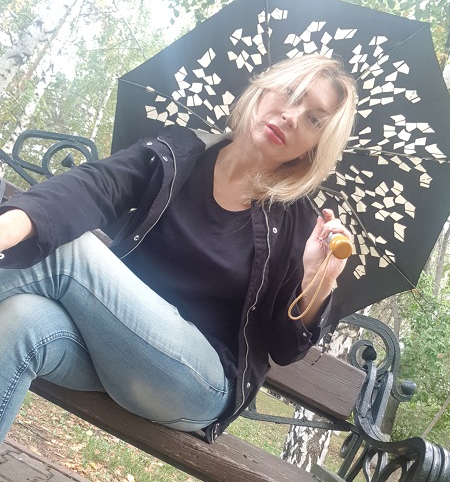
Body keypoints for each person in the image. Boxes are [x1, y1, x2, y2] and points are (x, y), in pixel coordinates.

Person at [0, 54, 356, 443]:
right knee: (22, 320)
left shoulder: (299, 225)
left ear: (315, 146)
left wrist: (317, 280)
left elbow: (285, 349)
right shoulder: (179, 152)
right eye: (290, 92)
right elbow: (98, 186)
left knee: (68, 254)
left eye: (314, 120)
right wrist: (14, 223)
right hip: (110, 349)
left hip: (196, 383)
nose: (292, 116)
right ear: (263, 88)